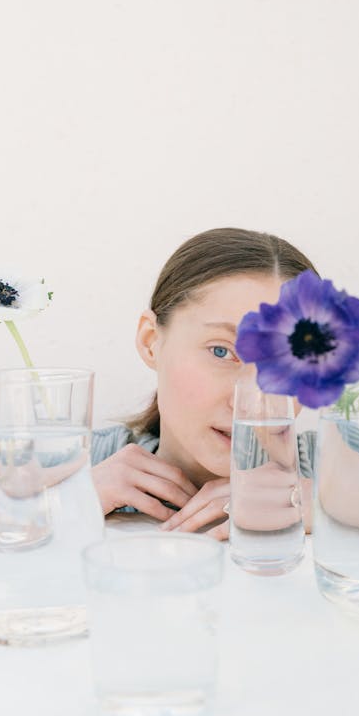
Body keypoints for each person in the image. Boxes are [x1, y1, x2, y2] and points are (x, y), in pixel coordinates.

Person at [91, 227, 318, 540]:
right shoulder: (77, 463)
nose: (251, 402)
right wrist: (66, 504)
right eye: (222, 351)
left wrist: (330, 506)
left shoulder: (335, 469)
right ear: (150, 342)